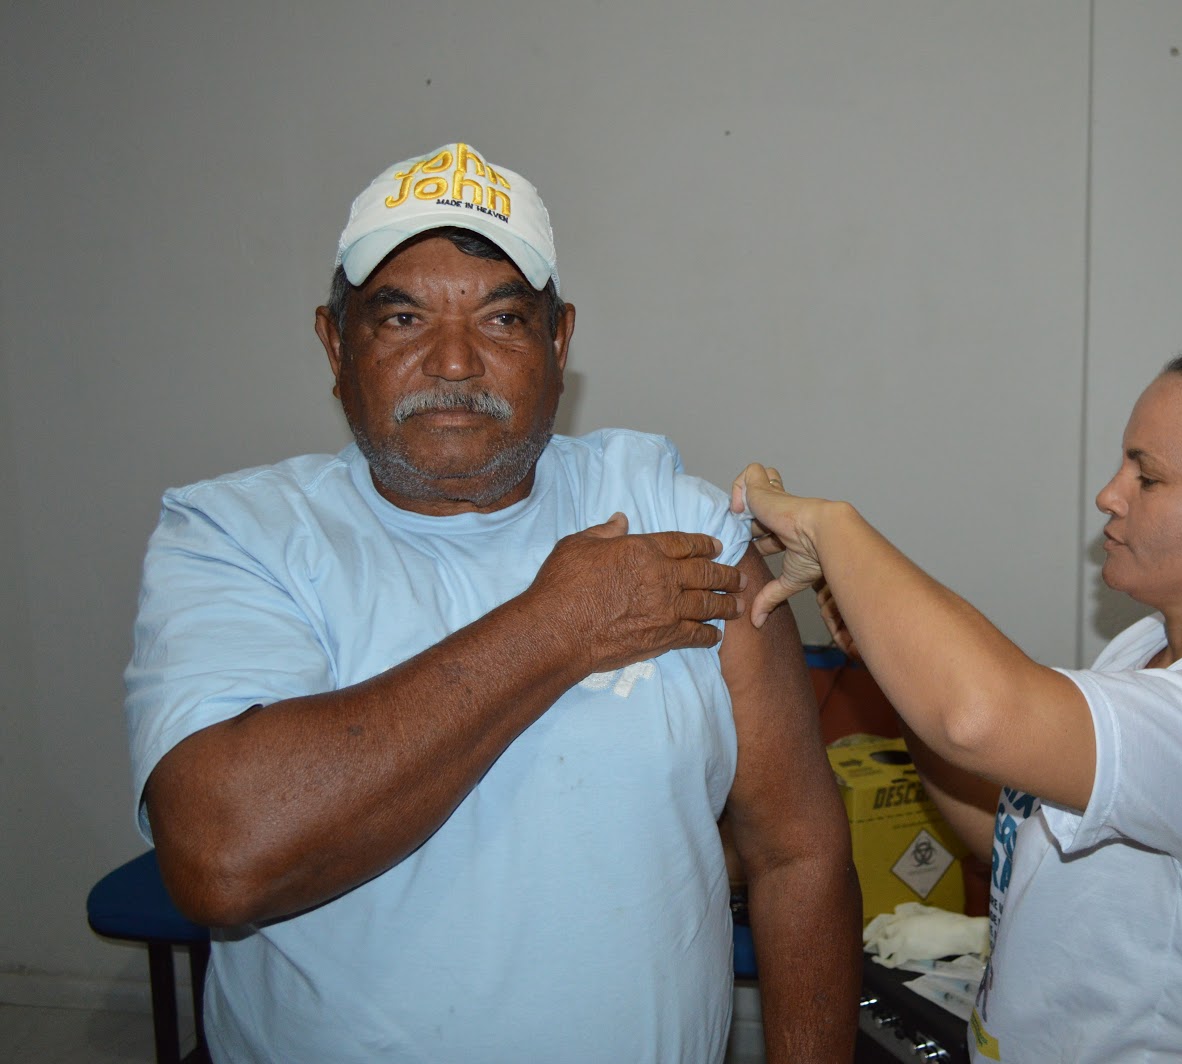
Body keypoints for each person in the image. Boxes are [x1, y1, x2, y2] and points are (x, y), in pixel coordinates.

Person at [124, 142, 859, 1064]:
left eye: (503, 319)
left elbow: (799, 853)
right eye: (402, 318)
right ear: (334, 343)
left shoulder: (671, 516)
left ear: (559, 343)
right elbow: (222, 858)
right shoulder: (239, 536)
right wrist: (554, 629)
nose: (454, 362)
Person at [732, 339, 1182, 1062]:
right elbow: (1015, 839)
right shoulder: (1148, 651)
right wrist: (889, 666)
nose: (1109, 495)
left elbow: (979, 717)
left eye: (1148, 478)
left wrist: (832, 526)